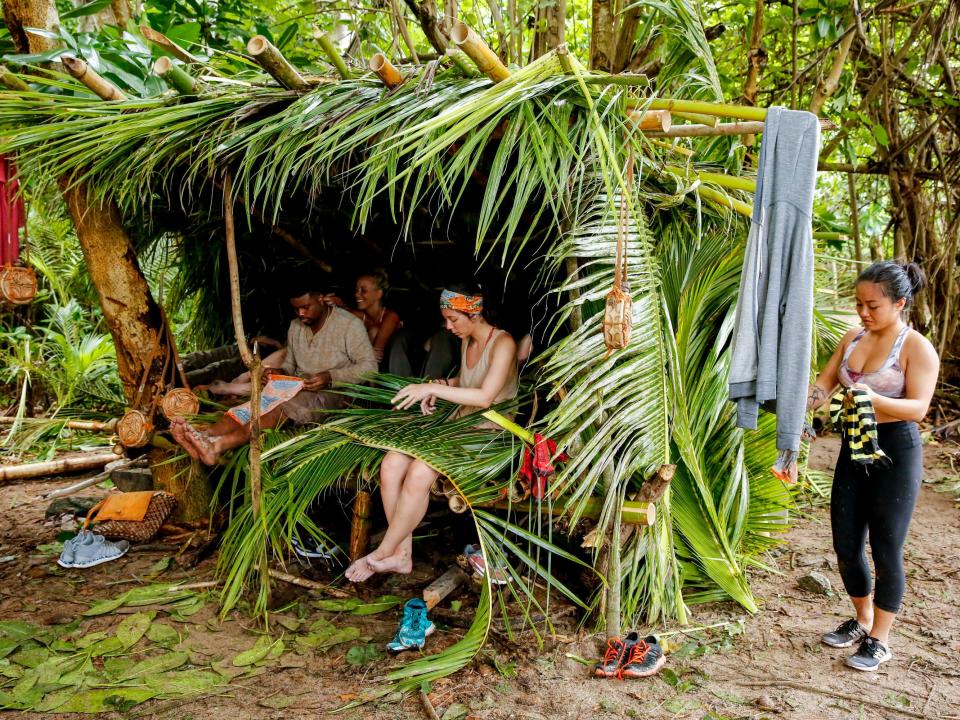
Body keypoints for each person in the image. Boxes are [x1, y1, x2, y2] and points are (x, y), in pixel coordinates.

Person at [806, 261, 939, 672]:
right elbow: (825, 385)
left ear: (899, 303)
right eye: (859, 303)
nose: (864, 312)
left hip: (895, 451)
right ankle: (862, 620)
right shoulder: (852, 337)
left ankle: (880, 639)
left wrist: (870, 398)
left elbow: (918, 408)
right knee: (846, 544)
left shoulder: (916, 347)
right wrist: (800, 402)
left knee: (885, 547)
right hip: (853, 449)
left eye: (873, 305)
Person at [345, 284, 519, 582]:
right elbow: (467, 381)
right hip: (459, 427)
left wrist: (429, 387)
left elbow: (485, 397)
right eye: (446, 319)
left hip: (488, 435)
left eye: (453, 319)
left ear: (474, 313)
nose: (448, 326)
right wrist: (443, 385)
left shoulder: (503, 343)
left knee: (419, 471)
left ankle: (383, 552)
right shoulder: (467, 340)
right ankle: (402, 555)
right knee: (391, 463)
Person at [170, 285, 377, 465]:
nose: (301, 313)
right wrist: (278, 373)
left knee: (279, 409)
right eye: (296, 308)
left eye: (306, 307)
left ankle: (217, 447)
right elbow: (290, 365)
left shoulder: (349, 325)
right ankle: (205, 435)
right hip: (296, 386)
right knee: (250, 407)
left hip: (337, 393)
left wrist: (331, 376)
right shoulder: (296, 327)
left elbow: (370, 367)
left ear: (321, 298)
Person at [325, 270, 402, 367]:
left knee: (373, 331)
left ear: (379, 294)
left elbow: (377, 352)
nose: (357, 294)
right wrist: (331, 303)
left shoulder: (391, 316)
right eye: (357, 290)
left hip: (391, 367)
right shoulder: (361, 316)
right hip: (366, 365)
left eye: (363, 290)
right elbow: (342, 312)